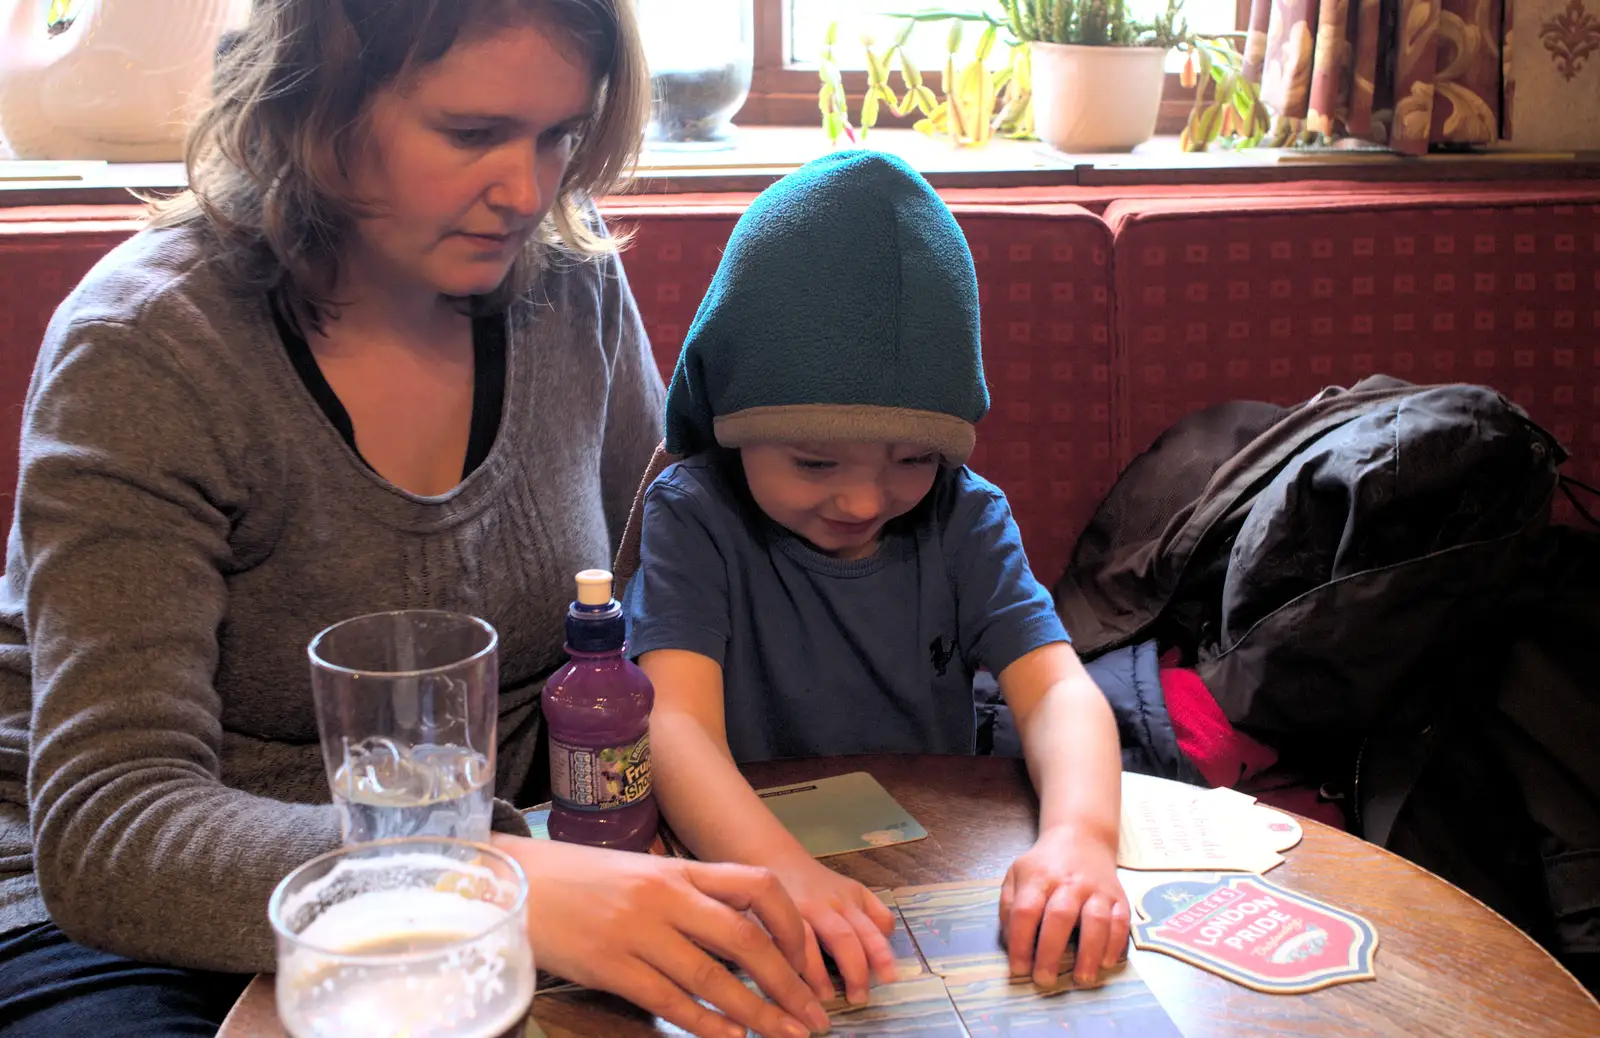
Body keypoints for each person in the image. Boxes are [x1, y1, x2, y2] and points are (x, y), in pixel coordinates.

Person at [0, 3, 827, 1038]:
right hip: (140, 920)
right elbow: (110, 828)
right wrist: (471, 876)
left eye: (559, 134)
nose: (527, 192)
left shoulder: (574, 290)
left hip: (518, 867)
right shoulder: (146, 348)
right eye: (472, 134)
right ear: (313, 108)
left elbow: (646, 622)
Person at [620, 150, 1131, 1008]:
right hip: (746, 863)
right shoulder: (695, 513)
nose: (863, 498)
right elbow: (672, 726)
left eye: (913, 459)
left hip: (927, 873)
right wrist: (778, 872)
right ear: (731, 428)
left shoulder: (964, 516)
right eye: (815, 459)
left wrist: (1082, 837)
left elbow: (1056, 693)